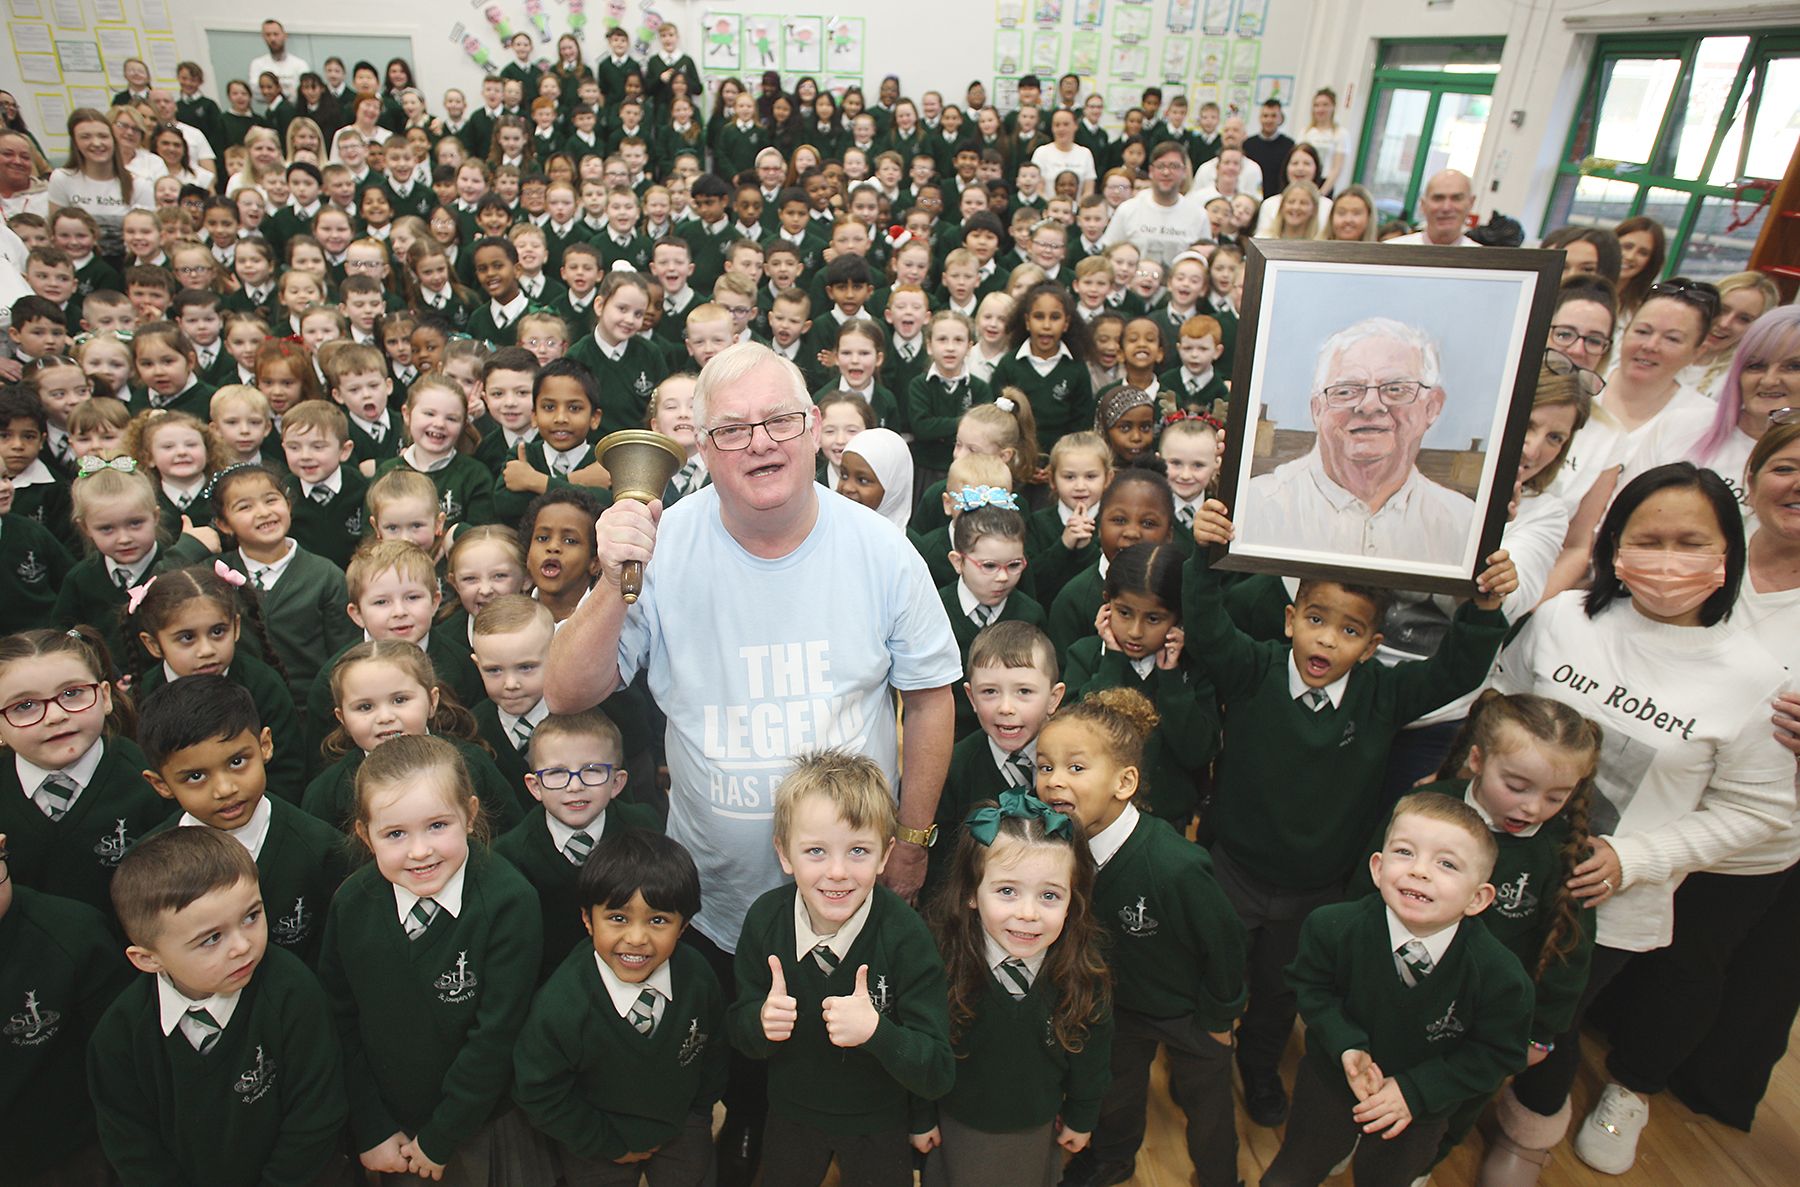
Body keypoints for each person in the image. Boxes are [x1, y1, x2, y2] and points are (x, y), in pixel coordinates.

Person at [544, 341, 960, 1180]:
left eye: (780, 421)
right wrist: (610, 573)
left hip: (852, 891)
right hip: (713, 895)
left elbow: (930, 698)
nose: (760, 442)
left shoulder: (880, 550)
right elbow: (567, 691)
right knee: (742, 1067)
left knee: (849, 1064)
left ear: (816, 433)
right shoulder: (664, 546)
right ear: (700, 448)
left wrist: (911, 839)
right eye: (732, 429)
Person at [1484, 463, 1795, 1180]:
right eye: (1645, 537)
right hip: (1502, 864)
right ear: (1614, 543)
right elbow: (1501, 699)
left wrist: (1640, 856)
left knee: (1552, 1025)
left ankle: (1525, 1135)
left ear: (1727, 551)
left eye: (1690, 541)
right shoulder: (1566, 618)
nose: (1666, 558)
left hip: (1609, 902)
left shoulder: (1754, 679)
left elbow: (1760, 809)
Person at [1184, 498, 1517, 1129]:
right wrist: (1206, 557)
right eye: (1315, 619)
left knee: (1282, 990)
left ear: (1371, 646)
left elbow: (1457, 670)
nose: (1327, 639)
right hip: (1234, 869)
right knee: (1215, 965)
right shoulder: (1251, 670)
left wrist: (1485, 608)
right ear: (1289, 620)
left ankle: (1259, 1066)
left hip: (1317, 888)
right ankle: (1200, 1063)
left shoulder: (1384, 695)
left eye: (1349, 630)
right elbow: (1206, 625)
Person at [1260, 793, 1534, 1186]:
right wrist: (1346, 1045)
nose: (1420, 871)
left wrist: (1417, 1091)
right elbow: (1311, 987)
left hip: (1419, 1113)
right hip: (1329, 1085)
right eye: (1405, 852)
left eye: (1446, 863)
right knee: (1297, 1167)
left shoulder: (1500, 977)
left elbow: (1498, 1052)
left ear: (1478, 898)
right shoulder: (1331, 927)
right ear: (1378, 866)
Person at [1037, 687, 1246, 1187]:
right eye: (1044, 767)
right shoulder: (1057, 847)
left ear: (1124, 781)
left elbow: (1226, 942)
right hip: (1116, 1007)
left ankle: (1220, 1177)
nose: (1054, 782)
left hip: (1187, 1011)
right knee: (1115, 1093)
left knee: (1208, 1107)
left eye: (1075, 768)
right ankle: (1113, 1159)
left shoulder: (1174, 865)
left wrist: (1220, 1017)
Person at [318, 733, 546, 1183]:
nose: (419, 851)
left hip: (484, 1125)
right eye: (396, 834)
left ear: (470, 814)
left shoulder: (509, 901)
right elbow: (337, 1019)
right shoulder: (352, 904)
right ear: (366, 835)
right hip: (393, 1134)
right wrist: (372, 1126)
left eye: (438, 826)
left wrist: (441, 1136)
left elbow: (496, 1035)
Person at [726, 750, 955, 1187]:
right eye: (815, 851)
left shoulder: (906, 936)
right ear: (784, 854)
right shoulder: (765, 921)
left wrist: (878, 1033)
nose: (836, 872)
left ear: (885, 855)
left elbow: (937, 1070)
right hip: (789, 1117)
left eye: (858, 851)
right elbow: (738, 1032)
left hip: (878, 1123)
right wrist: (759, 1024)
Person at [88, 827, 348, 1185]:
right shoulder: (120, 1035)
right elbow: (131, 1145)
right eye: (211, 938)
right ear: (147, 959)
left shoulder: (293, 992)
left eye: (251, 916)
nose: (242, 945)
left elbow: (316, 1114)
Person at [916, 789, 1113, 1186]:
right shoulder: (940, 964)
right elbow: (921, 1050)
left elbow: (1093, 1057)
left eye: (1049, 896)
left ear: (1072, 900)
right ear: (972, 893)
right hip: (955, 1124)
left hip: (1035, 1129)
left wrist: (1081, 1115)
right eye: (1007, 891)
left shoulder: (1084, 972)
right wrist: (919, 1117)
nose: (1027, 913)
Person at [513, 827, 726, 1185]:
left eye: (658, 920)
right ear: (587, 919)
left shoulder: (698, 977)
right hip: (596, 1141)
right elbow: (537, 1090)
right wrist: (604, 1142)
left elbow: (715, 1049)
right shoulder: (562, 1004)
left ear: (684, 926)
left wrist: (699, 1113)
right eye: (618, 918)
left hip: (681, 1127)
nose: (637, 938)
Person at [134, 676, 347, 969]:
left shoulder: (323, 848)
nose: (225, 789)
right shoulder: (145, 869)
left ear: (265, 746)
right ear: (161, 784)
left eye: (237, 762)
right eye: (196, 776)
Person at [1236, 316, 1475, 568]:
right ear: (1317, 410)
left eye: (1395, 389)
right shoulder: (1256, 506)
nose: (1370, 406)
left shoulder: (1462, 523)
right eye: (1346, 391)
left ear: (1432, 406)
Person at [1098, 141, 1213, 268]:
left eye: (1174, 166)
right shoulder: (1127, 209)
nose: (1166, 172)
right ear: (1151, 171)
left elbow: (1205, 261)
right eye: (1160, 166)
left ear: (1184, 172)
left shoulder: (1198, 215)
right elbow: (1108, 254)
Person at [1388, 169, 1478, 246]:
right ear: (1423, 205)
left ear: (1471, 203)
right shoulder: (1390, 252)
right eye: (1438, 198)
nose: (1446, 208)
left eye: (1456, 198)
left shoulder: (1485, 261)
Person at [246, 20, 309, 105]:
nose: (272, 39)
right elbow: (256, 94)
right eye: (268, 35)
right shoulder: (257, 64)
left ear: (285, 36)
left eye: (276, 34)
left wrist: (274, 92)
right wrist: (286, 89)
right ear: (263, 37)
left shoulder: (300, 64)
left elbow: (302, 94)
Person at [1241, 99, 1295, 193]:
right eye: (1265, 116)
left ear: (1280, 119)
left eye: (1273, 116)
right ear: (1260, 118)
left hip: (1278, 197)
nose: (1269, 120)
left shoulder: (1289, 145)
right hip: (1251, 196)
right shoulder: (1248, 144)